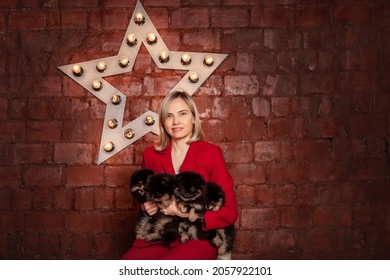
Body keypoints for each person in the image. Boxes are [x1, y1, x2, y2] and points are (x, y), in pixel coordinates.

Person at [121, 90, 238, 260]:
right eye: (169, 116)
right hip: (158, 235)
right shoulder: (150, 155)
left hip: (196, 237)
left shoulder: (211, 153)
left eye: (182, 114)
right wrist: (145, 206)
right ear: (163, 121)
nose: (176, 122)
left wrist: (185, 213)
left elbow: (230, 212)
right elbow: (141, 198)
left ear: (193, 118)